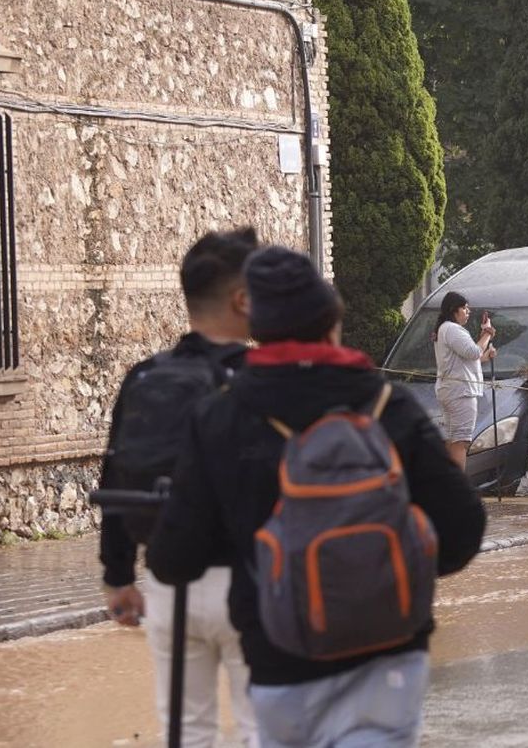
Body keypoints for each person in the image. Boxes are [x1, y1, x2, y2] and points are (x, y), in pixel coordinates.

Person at [149, 246, 486, 747]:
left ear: (256, 329)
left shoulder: (220, 416)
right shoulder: (387, 406)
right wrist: (380, 568)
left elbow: (175, 559)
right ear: (333, 321)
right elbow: (462, 530)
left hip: (281, 660)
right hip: (389, 655)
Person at [98, 227, 260, 748]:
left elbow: (115, 473)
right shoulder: (263, 379)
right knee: (265, 731)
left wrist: (119, 575)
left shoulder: (145, 375)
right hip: (253, 581)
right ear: (242, 299)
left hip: (169, 582)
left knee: (186, 733)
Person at [433, 291, 496, 468]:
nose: (468, 312)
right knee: (460, 442)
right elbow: (473, 352)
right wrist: (487, 334)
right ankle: (456, 489)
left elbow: (469, 358)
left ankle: (449, 486)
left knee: (452, 440)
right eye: (464, 308)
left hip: (451, 390)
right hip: (460, 392)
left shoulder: (445, 329)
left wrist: (486, 356)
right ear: (454, 309)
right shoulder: (452, 329)